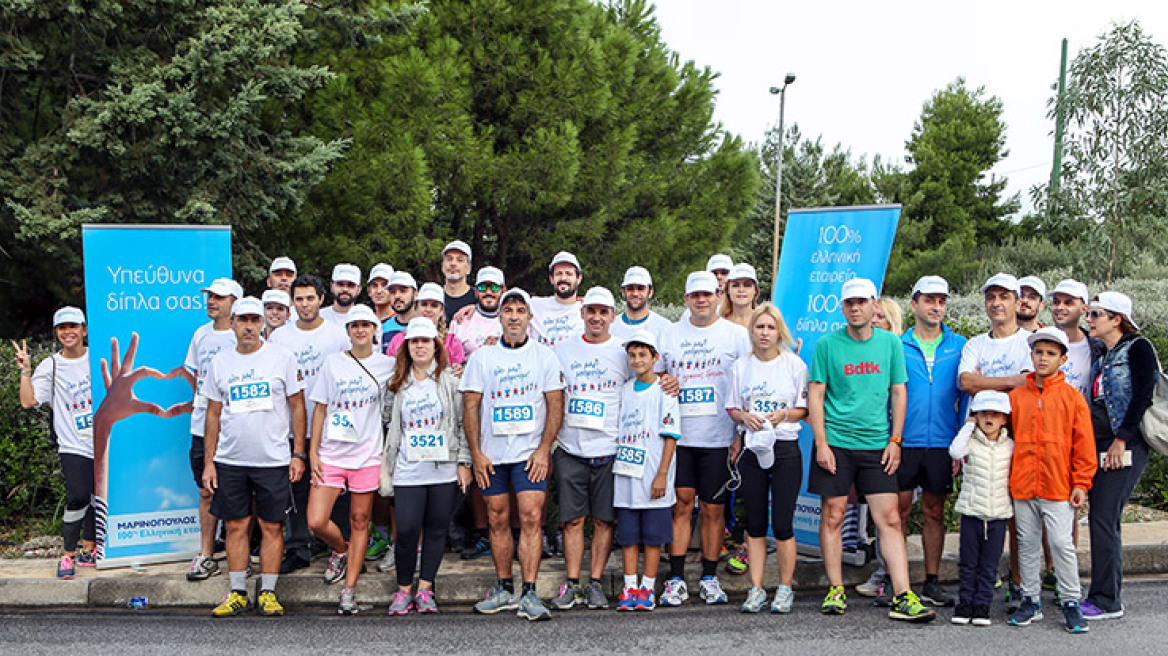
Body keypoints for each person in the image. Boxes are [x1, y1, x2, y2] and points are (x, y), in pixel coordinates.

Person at [807, 277, 935, 622]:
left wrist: (895, 440)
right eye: (850, 303)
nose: (856, 308)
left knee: (890, 518)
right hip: (835, 442)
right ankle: (835, 590)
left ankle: (903, 595)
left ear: (874, 304)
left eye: (862, 302)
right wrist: (821, 443)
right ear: (843, 307)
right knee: (833, 515)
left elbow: (898, 392)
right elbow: (815, 395)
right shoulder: (827, 345)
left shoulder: (891, 343)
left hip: (877, 444)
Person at [461, 288, 564, 621]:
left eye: (521, 310)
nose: (515, 316)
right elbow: (471, 404)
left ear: (530, 318)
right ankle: (505, 587)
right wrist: (476, 453)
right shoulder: (482, 357)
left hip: (529, 454)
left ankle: (530, 593)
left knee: (532, 517)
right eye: (509, 310)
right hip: (492, 454)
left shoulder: (544, 356)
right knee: (496, 518)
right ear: (501, 317)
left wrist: (544, 449)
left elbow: (555, 403)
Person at [202, 296, 306, 618]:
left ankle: (269, 593)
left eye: (255, 320)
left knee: (272, 526)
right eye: (243, 320)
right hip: (231, 459)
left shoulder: (282, 357)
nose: (249, 327)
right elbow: (213, 414)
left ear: (263, 323)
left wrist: (297, 453)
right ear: (232, 322)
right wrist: (209, 462)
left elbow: (298, 405)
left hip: (272, 459)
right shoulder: (220, 362)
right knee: (236, 525)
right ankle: (237, 592)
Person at [657, 271, 750, 607]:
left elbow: (748, 381)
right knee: (681, 506)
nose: (701, 300)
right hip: (679, 439)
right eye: (694, 295)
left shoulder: (736, 335)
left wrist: (740, 433)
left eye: (707, 294)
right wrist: (664, 379)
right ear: (686, 299)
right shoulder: (670, 334)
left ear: (718, 296)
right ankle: (677, 579)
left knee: (713, 510)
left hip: (718, 438)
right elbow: (653, 377)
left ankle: (710, 578)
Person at [305, 304, 394, 614]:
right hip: (331, 452)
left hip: (367, 454)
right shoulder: (332, 364)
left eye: (366, 325)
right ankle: (341, 551)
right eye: (354, 325)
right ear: (348, 331)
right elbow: (319, 408)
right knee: (316, 520)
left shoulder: (388, 365)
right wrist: (312, 451)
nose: (360, 330)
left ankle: (349, 591)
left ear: (374, 330)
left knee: (360, 522)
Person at [1006, 327, 1096, 633]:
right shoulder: (1017, 396)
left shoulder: (1072, 398)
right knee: (1027, 544)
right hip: (1022, 484)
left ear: (1062, 359)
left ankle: (1071, 600)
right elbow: (1006, 438)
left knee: (1061, 543)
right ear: (1031, 355)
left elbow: (1084, 444)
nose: (1043, 358)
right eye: (1039, 352)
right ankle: (1030, 599)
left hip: (1058, 485)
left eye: (1051, 353)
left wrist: (1081, 483)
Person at [382, 317, 472, 615]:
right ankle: (403, 588)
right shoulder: (396, 383)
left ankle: (425, 589)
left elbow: (462, 424)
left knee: (436, 530)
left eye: (426, 341)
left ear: (436, 346)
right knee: (406, 529)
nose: (420, 346)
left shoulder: (450, 382)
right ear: (407, 346)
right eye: (414, 341)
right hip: (408, 468)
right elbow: (386, 421)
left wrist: (464, 463)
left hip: (442, 469)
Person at [549, 287, 630, 611]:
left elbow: (645, 381)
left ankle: (594, 583)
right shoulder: (562, 349)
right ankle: (572, 583)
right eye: (591, 311)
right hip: (570, 448)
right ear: (582, 313)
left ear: (612, 315)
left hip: (609, 449)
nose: (597, 317)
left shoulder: (623, 352)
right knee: (571, 521)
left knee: (603, 521)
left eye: (603, 311)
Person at [725, 304, 808, 614]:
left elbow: (804, 408)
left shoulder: (794, 365)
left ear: (779, 332)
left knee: (783, 523)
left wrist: (784, 414)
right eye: (759, 327)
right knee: (756, 523)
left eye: (770, 328)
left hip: (785, 447)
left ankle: (785, 588)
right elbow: (732, 408)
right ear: (752, 331)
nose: (764, 333)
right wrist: (744, 416)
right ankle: (756, 588)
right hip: (752, 449)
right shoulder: (740, 367)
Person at [1082, 291, 1156, 620]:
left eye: (1096, 314)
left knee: (1103, 517)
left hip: (1125, 445)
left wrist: (1121, 439)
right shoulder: (1104, 354)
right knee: (1103, 517)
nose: (1090, 320)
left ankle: (1105, 600)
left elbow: (1142, 395)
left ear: (1117, 319)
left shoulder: (1139, 348)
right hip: (1101, 446)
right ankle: (1105, 594)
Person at [959, 272, 1033, 602]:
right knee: (977, 514)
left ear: (1017, 302)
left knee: (1015, 514)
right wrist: (1010, 380)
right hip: (978, 437)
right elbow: (965, 383)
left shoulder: (1031, 342)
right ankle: (979, 586)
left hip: (1018, 435)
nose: (997, 303)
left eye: (1004, 296)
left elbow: (1030, 382)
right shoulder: (975, 343)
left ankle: (1019, 582)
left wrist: (984, 381)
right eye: (991, 297)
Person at [271, 274, 351, 574]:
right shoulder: (280, 337)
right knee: (297, 490)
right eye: (299, 299)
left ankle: (341, 547)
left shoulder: (338, 335)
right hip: (292, 427)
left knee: (336, 489)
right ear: (293, 303)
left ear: (321, 299)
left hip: (334, 428)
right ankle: (298, 548)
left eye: (310, 298)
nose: (305, 305)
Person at [896, 276, 966, 608]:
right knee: (898, 511)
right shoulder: (896, 344)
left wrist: (960, 445)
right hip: (904, 442)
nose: (935, 307)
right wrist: (890, 439)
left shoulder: (960, 345)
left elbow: (966, 399)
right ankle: (898, 582)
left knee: (934, 512)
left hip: (941, 443)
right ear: (914, 305)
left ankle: (932, 581)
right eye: (929, 300)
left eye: (941, 301)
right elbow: (887, 396)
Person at [14, 307, 95, 578]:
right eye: (62, 328)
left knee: (98, 498)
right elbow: (29, 401)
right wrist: (25, 371)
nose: (68, 332)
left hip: (105, 441)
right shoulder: (52, 364)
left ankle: (90, 548)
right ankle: (68, 554)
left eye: (73, 326)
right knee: (78, 496)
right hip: (73, 443)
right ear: (56, 333)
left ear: (84, 330)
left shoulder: (98, 357)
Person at [614, 330, 680, 612]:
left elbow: (671, 435)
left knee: (653, 537)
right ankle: (629, 587)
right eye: (632, 355)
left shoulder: (664, 391)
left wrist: (662, 473)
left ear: (655, 358)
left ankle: (647, 588)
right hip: (627, 474)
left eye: (643, 355)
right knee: (629, 535)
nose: (637, 360)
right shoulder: (625, 390)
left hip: (654, 474)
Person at [181, 277, 242, 581]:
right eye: (209, 296)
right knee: (206, 491)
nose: (211, 301)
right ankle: (206, 554)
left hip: (234, 429)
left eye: (218, 297)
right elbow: (196, 377)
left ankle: (240, 557)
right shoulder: (200, 335)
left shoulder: (241, 336)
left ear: (234, 302)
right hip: (201, 425)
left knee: (239, 495)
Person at [948, 391, 1014, 626]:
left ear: (1004, 419)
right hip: (972, 513)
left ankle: (982, 606)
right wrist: (968, 425)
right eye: (984, 413)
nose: (989, 418)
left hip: (998, 515)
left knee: (989, 565)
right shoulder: (970, 442)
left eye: (995, 414)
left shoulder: (1010, 446)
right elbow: (955, 451)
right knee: (968, 563)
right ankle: (964, 603)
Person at [385, 282, 467, 367]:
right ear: (416, 307)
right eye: (424, 304)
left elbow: (457, 372)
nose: (428, 309)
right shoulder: (399, 339)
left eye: (434, 305)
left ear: (441, 310)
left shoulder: (452, 342)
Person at [1048, 279, 1098, 395]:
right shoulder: (1037, 342)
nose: (1060, 307)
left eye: (1068, 303)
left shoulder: (1097, 348)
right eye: (1056, 302)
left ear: (1084, 309)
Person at [528, 251, 585, 347]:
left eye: (569, 274)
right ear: (551, 279)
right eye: (558, 273)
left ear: (578, 278)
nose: (563, 278)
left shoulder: (588, 311)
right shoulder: (534, 305)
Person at [450, 267, 506, 357]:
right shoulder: (460, 320)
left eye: (494, 288)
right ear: (475, 291)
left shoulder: (513, 320)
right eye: (482, 287)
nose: (488, 292)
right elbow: (450, 360)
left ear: (503, 290)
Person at [610, 266, 672, 344]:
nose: (635, 293)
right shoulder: (611, 327)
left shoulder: (665, 328)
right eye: (630, 288)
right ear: (623, 291)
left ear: (650, 291)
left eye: (640, 288)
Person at [441, 240, 477, 323]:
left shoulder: (477, 298)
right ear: (442, 265)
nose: (453, 263)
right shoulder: (432, 297)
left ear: (469, 268)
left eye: (460, 260)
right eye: (449, 259)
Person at [380, 271, 418, 348]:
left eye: (403, 291)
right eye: (392, 292)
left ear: (415, 294)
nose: (397, 296)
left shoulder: (425, 325)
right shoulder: (381, 328)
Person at [720, 263, 760, 328]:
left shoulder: (764, 321)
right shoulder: (718, 321)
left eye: (747, 285)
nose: (741, 290)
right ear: (728, 290)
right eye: (735, 285)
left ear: (755, 290)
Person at [366, 263, 396, 329]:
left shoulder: (403, 321)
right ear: (369, 290)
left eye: (384, 285)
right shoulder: (365, 322)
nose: (379, 291)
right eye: (374, 285)